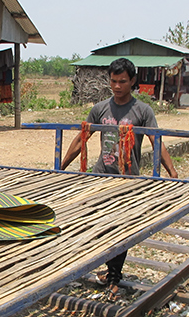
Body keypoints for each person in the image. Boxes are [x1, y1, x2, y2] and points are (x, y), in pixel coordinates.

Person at [60, 57, 178, 297]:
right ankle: (103, 267)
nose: (116, 86)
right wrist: (60, 167)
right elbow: (82, 139)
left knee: (120, 228)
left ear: (132, 81)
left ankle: (114, 275)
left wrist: (173, 174)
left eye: (122, 81)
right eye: (113, 81)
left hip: (127, 180)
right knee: (95, 224)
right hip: (100, 176)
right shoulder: (100, 109)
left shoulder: (143, 111)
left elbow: (156, 141)